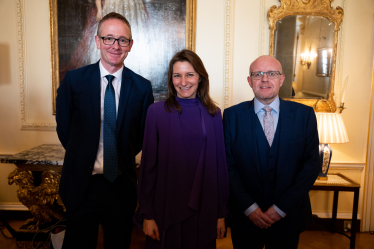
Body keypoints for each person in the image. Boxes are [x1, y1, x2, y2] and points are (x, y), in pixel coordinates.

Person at [56, 12, 154, 249]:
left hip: (120, 187)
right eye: (108, 38)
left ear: (130, 45)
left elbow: (140, 137)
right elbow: (65, 129)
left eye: (122, 40)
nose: (115, 45)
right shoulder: (74, 80)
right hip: (82, 183)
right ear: (98, 41)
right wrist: (84, 154)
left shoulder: (142, 88)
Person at [134, 49, 229, 249]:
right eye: (177, 75)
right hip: (165, 208)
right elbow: (147, 168)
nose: (183, 81)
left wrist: (221, 214)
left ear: (201, 78)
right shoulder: (156, 112)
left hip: (205, 209)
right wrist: (147, 214)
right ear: (171, 79)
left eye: (190, 74)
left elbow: (220, 168)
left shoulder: (214, 114)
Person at [223, 55, 320, 249]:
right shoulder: (232, 116)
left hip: (288, 217)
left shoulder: (304, 115)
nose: (265, 79)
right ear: (250, 81)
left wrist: (280, 209)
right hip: (245, 218)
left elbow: (310, 166)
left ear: (281, 79)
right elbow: (227, 166)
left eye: (271, 73)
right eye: (258, 74)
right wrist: (250, 209)